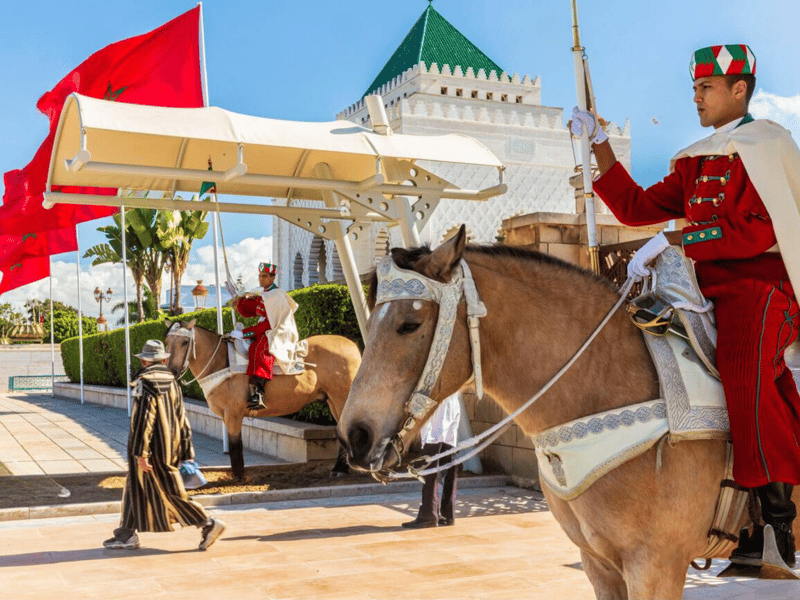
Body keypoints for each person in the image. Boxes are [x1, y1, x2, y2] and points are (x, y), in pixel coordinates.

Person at [571, 44, 800, 570]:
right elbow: (635, 208)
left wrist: (677, 240)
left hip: (761, 289)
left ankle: (774, 526)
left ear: (739, 90)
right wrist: (600, 145)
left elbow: (755, 231)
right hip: (705, 287)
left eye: (706, 87)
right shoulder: (696, 159)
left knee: (743, 372)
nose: (696, 97)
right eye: (694, 88)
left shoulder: (769, 145)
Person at [103, 340, 226, 551]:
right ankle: (126, 534)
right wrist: (186, 450)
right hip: (171, 446)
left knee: (170, 493)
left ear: (144, 361)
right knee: (134, 487)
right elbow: (181, 417)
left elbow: (143, 419)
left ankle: (208, 523)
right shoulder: (172, 382)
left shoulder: (143, 382)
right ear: (162, 360)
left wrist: (141, 453)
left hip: (150, 450)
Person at [232, 261, 302, 410]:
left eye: (264, 276)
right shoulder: (264, 294)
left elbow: (268, 324)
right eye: (260, 276)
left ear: (272, 278)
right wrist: (239, 302)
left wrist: (244, 333)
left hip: (278, 330)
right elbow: (250, 310)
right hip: (267, 328)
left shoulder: (276, 295)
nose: (261, 279)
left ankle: (260, 393)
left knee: (260, 348)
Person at [402, 393, 460, 529]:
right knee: (448, 458)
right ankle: (447, 514)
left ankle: (428, 514)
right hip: (452, 402)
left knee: (432, 459)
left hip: (438, 405)